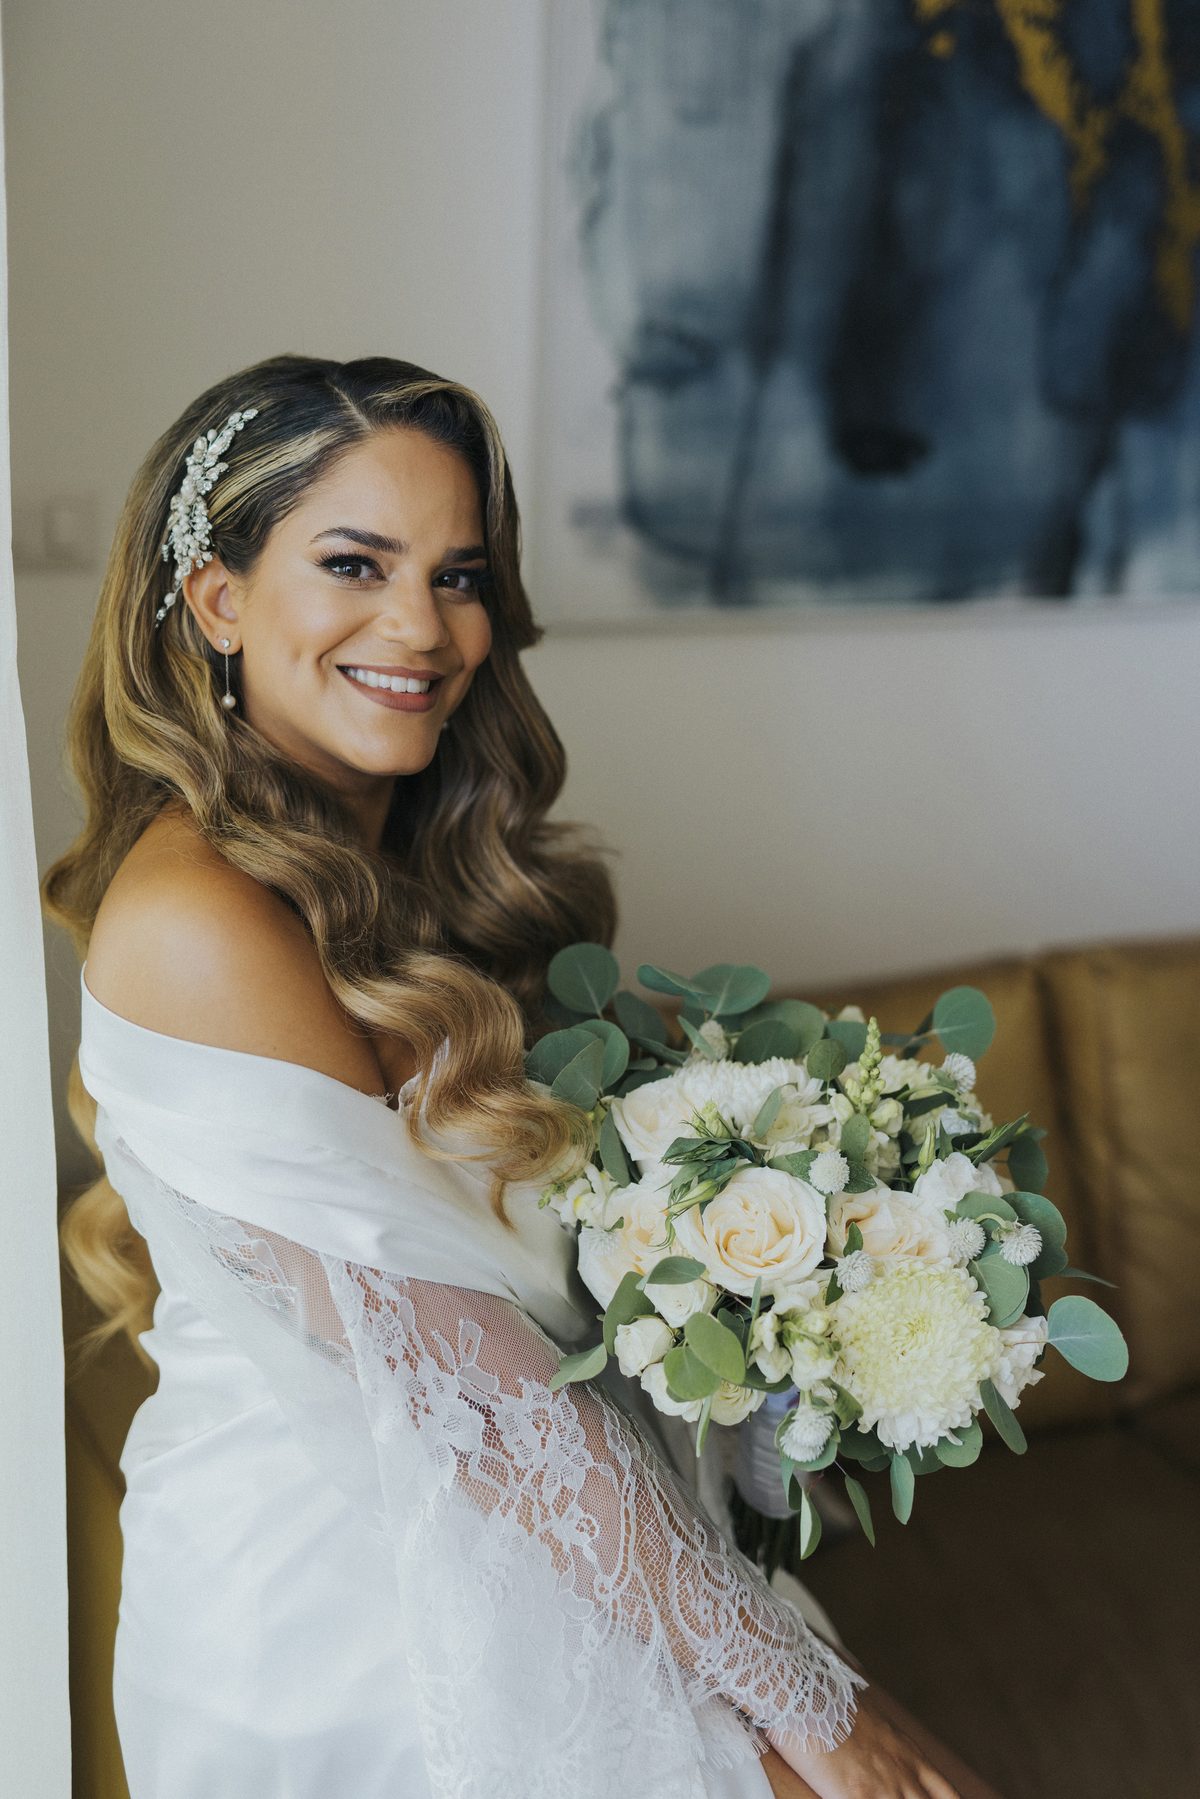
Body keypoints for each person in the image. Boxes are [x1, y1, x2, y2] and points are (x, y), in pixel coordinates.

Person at [44, 354, 1002, 1798]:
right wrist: (808, 1702)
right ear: (219, 599)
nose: (423, 627)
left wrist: (784, 1304)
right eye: (354, 563)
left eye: (460, 574)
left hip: (557, 1524)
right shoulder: (200, 918)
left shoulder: (418, 877)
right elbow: (476, 1383)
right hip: (359, 1611)